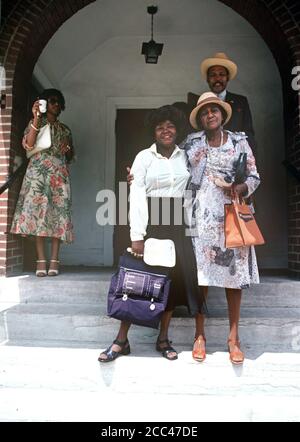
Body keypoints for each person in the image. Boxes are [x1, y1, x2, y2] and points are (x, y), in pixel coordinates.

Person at [98, 105, 206, 363]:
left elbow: (194, 190)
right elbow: (135, 195)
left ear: (177, 130)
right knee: (137, 283)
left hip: (178, 227)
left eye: (170, 126)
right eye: (160, 127)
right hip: (151, 224)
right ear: (154, 132)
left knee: (172, 285)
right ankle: (121, 340)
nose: (166, 131)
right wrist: (137, 234)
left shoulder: (186, 156)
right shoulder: (143, 157)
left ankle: (163, 339)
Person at [182, 91, 261, 364]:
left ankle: (233, 338)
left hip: (231, 216)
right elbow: (176, 170)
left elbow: (254, 175)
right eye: (204, 112)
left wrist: (239, 187)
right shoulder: (191, 144)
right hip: (201, 217)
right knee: (201, 277)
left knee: (234, 276)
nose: (210, 114)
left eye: (214, 110)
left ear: (222, 114)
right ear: (200, 119)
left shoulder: (239, 141)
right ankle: (200, 335)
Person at [10, 89, 74, 277]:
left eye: (57, 101)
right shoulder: (34, 123)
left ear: (61, 105)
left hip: (59, 174)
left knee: (57, 215)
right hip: (37, 173)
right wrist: (36, 118)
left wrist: (67, 149)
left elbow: (70, 156)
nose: (54, 104)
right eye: (50, 101)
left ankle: (54, 260)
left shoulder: (65, 129)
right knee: (39, 214)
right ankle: (41, 260)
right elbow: (28, 145)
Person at [188, 52, 257, 154]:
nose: (217, 79)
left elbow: (249, 134)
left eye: (221, 74)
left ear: (227, 77)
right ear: (207, 79)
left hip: (236, 158)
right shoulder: (198, 104)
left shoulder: (240, 101)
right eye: (213, 75)